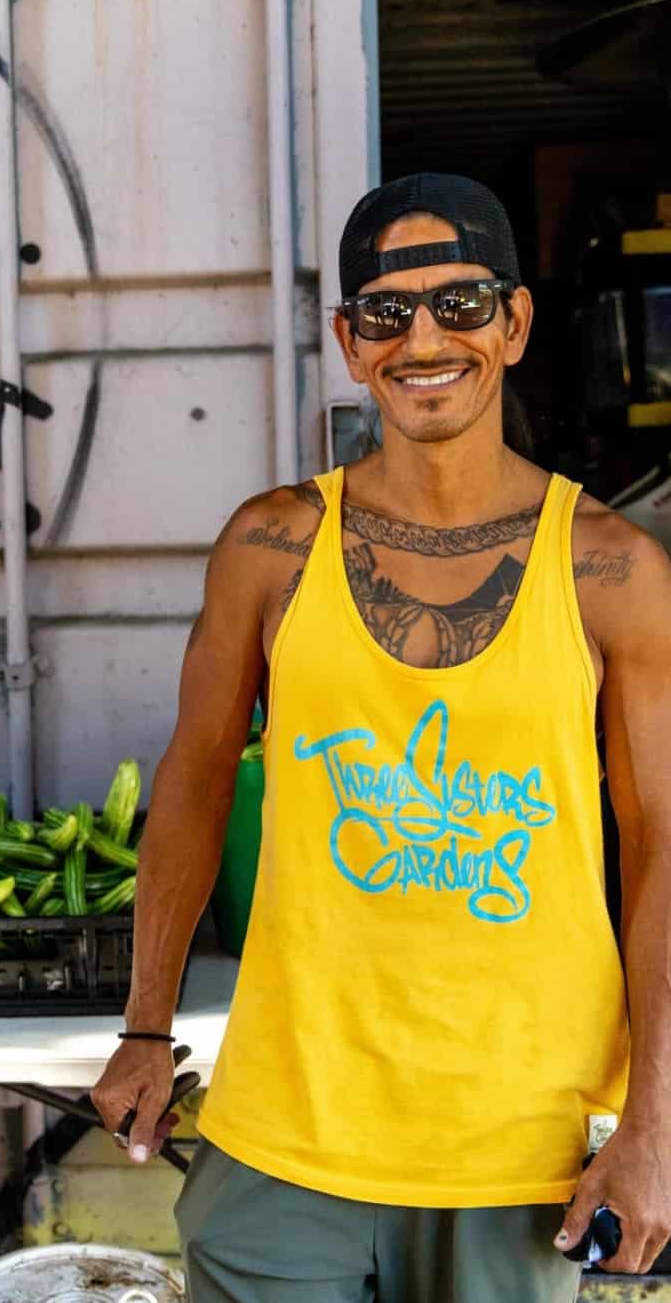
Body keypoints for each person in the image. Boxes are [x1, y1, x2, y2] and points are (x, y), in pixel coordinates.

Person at [91, 173, 671, 1301]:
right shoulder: (270, 547)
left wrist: (653, 1119)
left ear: (511, 323)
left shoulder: (612, 572)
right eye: (384, 313)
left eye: (459, 304)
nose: (422, 339)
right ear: (349, 346)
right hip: (284, 1134)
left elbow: (659, 850)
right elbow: (198, 778)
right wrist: (145, 1026)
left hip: (516, 1141)